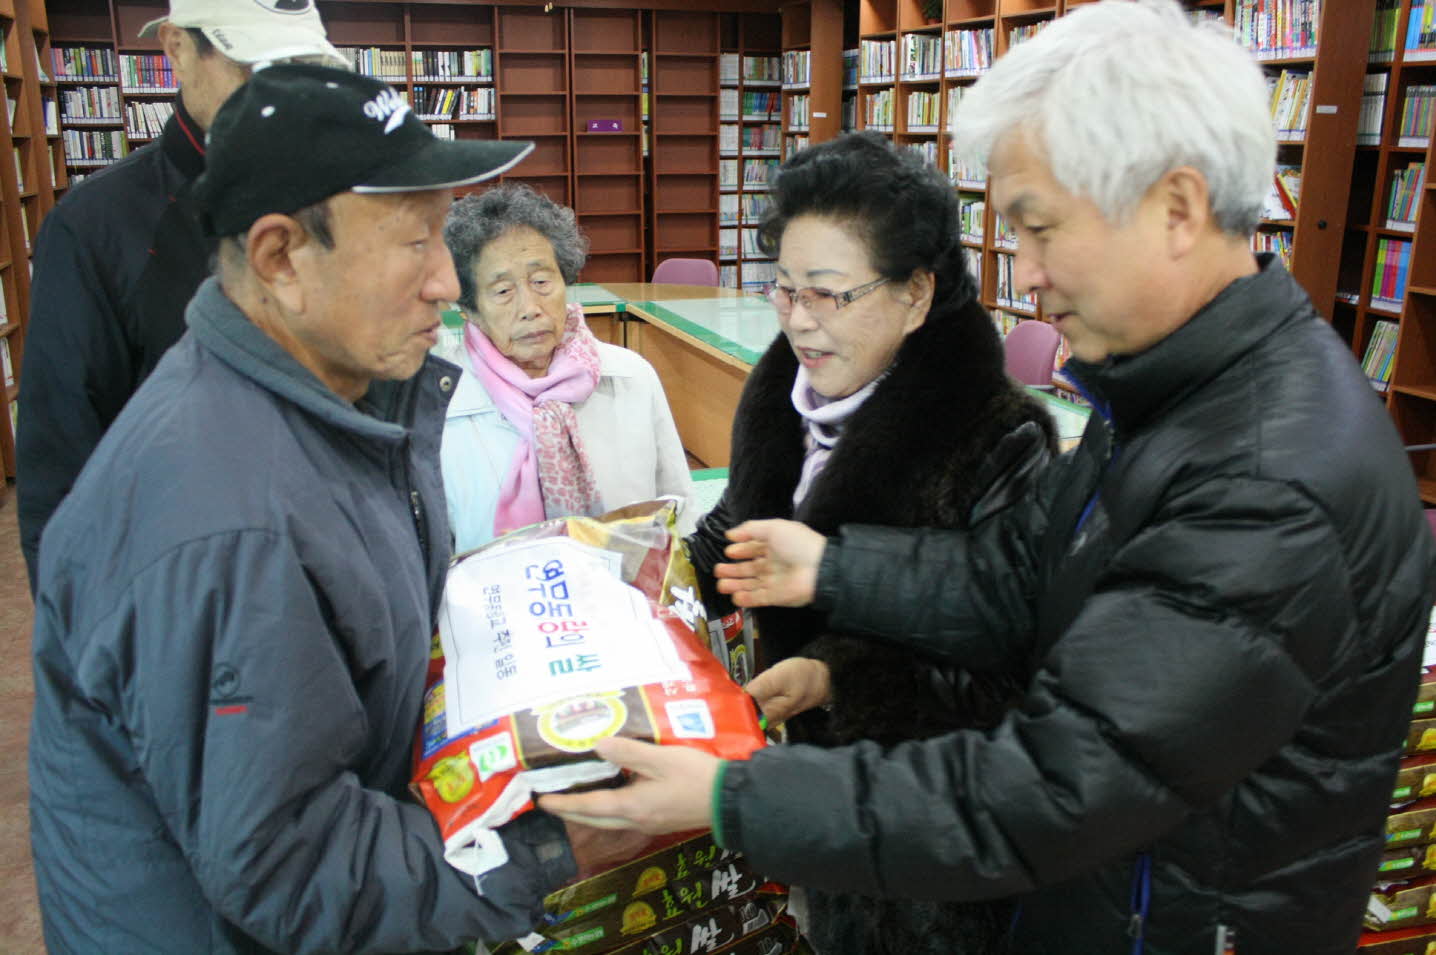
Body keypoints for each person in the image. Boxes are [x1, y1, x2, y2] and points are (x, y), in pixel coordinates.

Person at [540, 3, 1436, 953]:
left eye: (1039, 228)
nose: (1029, 276)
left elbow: (1056, 786)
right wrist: (835, 572)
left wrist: (733, 794)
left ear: (1177, 209)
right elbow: (1029, 569)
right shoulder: (1172, 394)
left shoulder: (1265, 478)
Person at [28, 65, 643, 953]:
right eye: (416, 241)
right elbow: (289, 860)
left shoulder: (338, 397)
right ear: (281, 258)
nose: (448, 281)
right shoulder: (226, 521)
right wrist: (554, 851)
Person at [680, 131, 1054, 954]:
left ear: (917, 294)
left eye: (828, 295)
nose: (799, 322)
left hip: (945, 837)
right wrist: (658, 578)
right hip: (825, 804)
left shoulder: (1001, 439)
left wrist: (835, 675)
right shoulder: (779, 394)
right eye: (782, 291)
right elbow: (741, 527)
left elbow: (1009, 665)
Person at [15, 0, 347, 592]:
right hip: (175, 592)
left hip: (328, 574)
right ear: (176, 47)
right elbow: (60, 470)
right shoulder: (94, 227)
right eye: (252, 68)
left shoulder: (340, 200)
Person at [438, 183, 693, 552]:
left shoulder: (631, 377)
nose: (530, 306)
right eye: (503, 291)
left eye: (542, 281)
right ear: (469, 308)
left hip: (628, 603)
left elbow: (678, 510)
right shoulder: (443, 405)